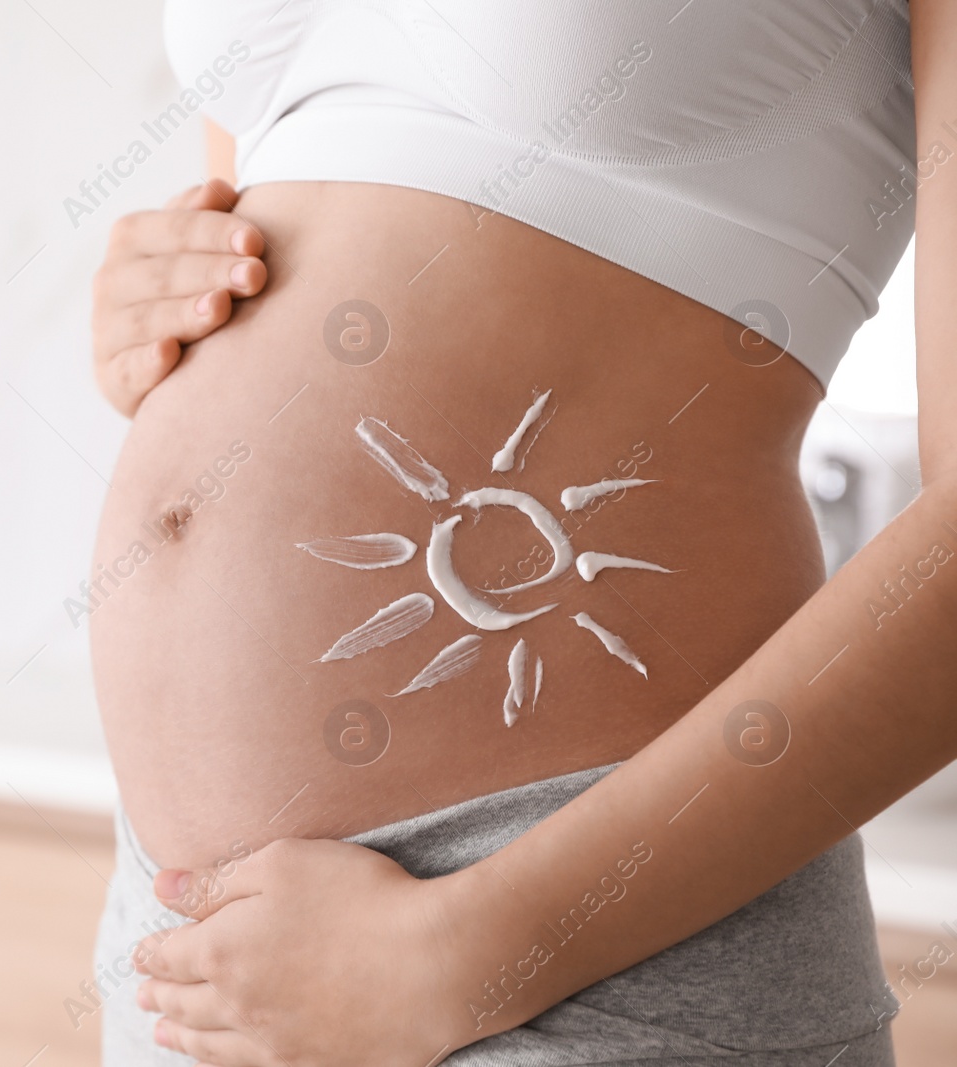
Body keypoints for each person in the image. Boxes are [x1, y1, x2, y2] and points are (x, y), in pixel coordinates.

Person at [85, 1, 956, 1064]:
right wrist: (157, 302)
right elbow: (295, 216)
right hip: (198, 953)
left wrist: (472, 948)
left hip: (577, 942)